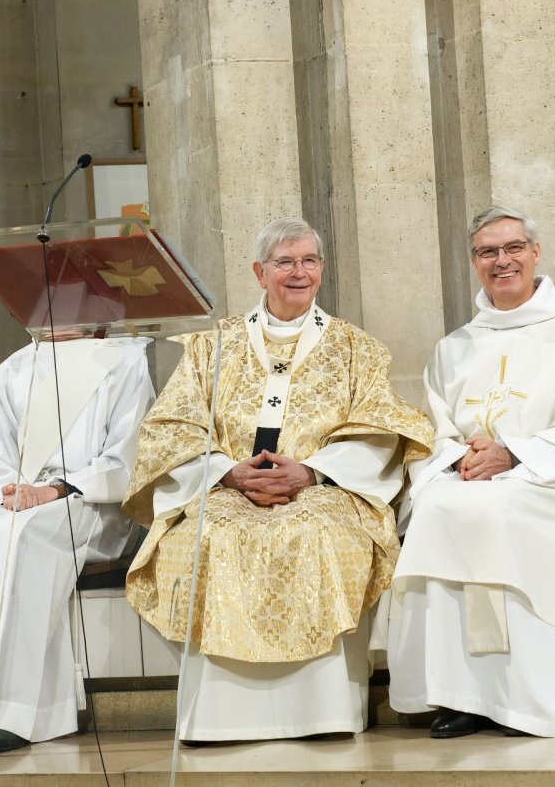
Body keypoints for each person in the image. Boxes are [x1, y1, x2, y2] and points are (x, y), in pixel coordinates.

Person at [123, 217, 434, 743]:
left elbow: (386, 428)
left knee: (315, 533)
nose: (299, 272)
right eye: (285, 262)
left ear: (322, 269)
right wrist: (227, 471)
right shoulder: (211, 346)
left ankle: (323, 712)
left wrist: (312, 471)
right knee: (211, 536)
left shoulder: (357, 348)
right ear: (259, 272)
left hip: (322, 493)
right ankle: (220, 718)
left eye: (309, 261)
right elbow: (169, 428)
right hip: (224, 490)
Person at [387, 206, 555, 739]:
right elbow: (435, 430)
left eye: (512, 249)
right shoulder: (453, 346)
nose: (501, 261)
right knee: (438, 506)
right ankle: (464, 695)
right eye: (488, 252)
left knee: (492, 508)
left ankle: (521, 692)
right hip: (470, 481)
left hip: (551, 482)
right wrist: (459, 459)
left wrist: (515, 455)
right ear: (474, 262)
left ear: (535, 253)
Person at [0, 335, 153, 755]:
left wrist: (52, 490)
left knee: (29, 539)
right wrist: (13, 492)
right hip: (21, 500)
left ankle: (20, 713)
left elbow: (129, 451)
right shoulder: (16, 366)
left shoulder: (124, 358)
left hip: (92, 501)